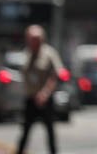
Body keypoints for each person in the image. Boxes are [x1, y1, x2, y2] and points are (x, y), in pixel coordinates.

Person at [15, 24, 64, 154]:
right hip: (30, 98)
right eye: (31, 39)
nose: (33, 42)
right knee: (25, 131)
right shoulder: (26, 53)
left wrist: (45, 93)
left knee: (50, 131)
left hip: (45, 99)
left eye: (36, 39)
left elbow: (55, 75)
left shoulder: (49, 53)